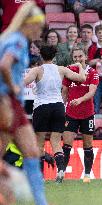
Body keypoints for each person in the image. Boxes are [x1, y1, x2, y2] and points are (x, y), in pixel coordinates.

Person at [0, 2, 48, 205]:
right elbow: (4, 65)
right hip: (6, 102)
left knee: (32, 151)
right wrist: (14, 87)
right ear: (29, 24)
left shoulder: (8, 38)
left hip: (11, 103)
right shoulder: (17, 41)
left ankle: (40, 202)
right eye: (38, 26)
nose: (40, 30)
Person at [24, 44, 86, 183]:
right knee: (56, 141)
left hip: (42, 107)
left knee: (39, 143)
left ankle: (40, 177)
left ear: (41, 56)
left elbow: (23, 83)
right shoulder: (62, 69)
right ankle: (60, 170)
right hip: (58, 107)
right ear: (54, 56)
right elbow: (82, 78)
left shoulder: (37, 70)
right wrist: (81, 66)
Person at [62, 47, 99, 183]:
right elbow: (65, 92)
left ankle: (87, 175)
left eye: (80, 56)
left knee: (88, 145)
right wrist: (62, 107)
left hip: (87, 114)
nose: (77, 59)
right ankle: (61, 174)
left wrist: (80, 100)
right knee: (66, 145)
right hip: (70, 114)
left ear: (85, 57)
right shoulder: (69, 72)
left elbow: (91, 92)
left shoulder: (93, 73)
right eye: (75, 57)